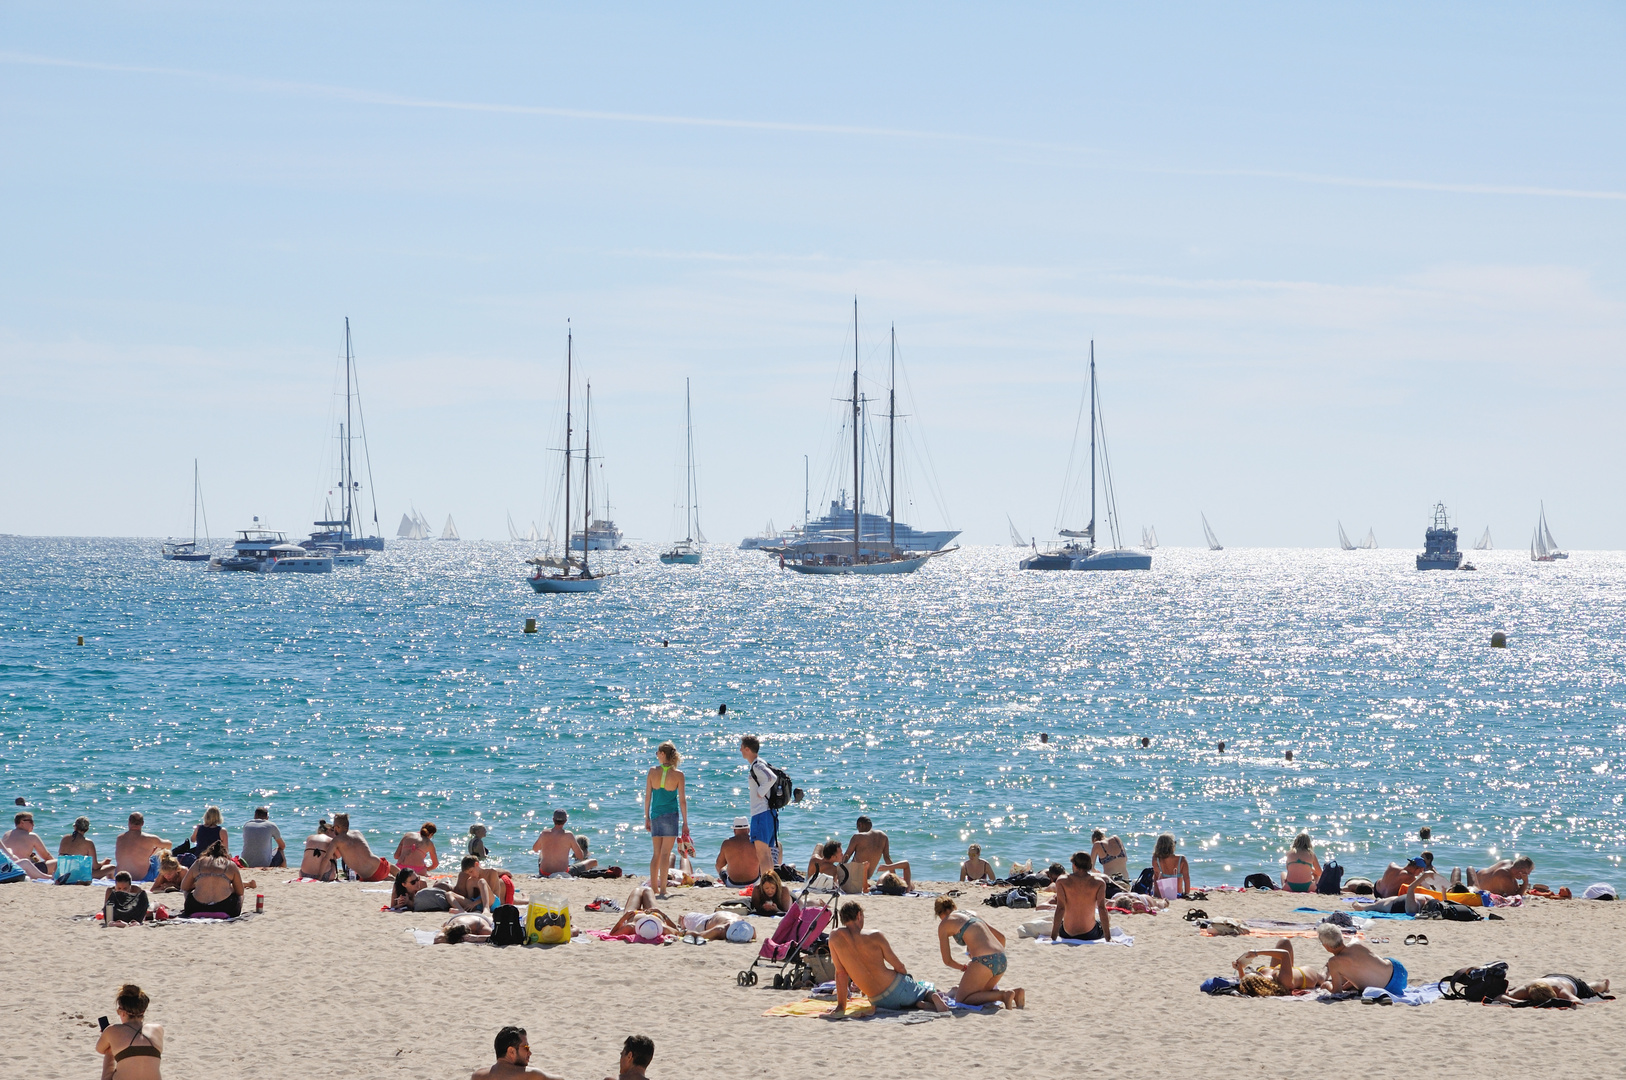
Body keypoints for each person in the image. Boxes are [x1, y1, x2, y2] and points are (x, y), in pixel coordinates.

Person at [827, 901, 947, 1014]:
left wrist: (841, 1006)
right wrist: (906, 977)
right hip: (898, 988)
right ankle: (927, 999)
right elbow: (899, 966)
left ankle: (919, 1005)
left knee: (905, 1002)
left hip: (878, 1000)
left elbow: (840, 973)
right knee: (923, 991)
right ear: (859, 915)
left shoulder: (834, 938)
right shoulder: (875, 935)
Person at [934, 897, 1025, 1009]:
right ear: (954, 906)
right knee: (980, 993)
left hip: (984, 960)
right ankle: (1016, 992)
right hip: (1001, 958)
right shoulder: (971, 913)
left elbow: (947, 960)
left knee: (962, 999)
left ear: (939, 913)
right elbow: (1001, 938)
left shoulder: (944, 924)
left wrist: (963, 967)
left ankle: (1003, 995)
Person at [644, 742, 688, 900]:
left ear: (663, 754)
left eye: (657, 752)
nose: (656, 755)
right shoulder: (678, 774)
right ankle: (662, 890)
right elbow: (682, 801)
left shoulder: (651, 772)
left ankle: (654, 888)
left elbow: (648, 797)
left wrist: (646, 817)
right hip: (671, 816)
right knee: (665, 854)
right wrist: (685, 822)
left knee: (656, 854)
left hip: (655, 815)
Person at [1317, 922, 1407, 996]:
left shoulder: (1334, 962)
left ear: (1327, 946)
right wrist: (1348, 984)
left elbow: (1337, 992)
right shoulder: (1356, 943)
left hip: (1388, 988)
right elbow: (1366, 967)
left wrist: (1327, 985)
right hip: (1398, 970)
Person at [95, 984, 163, 1080]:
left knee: (108, 1050)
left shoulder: (112, 1030)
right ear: (143, 1011)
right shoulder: (158, 1029)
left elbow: (100, 1049)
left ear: (122, 1012)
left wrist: (110, 1041)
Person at [740, 734, 779, 877]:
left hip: (761, 813)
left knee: (762, 854)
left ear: (748, 749)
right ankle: (770, 883)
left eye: (742, 747)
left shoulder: (757, 765)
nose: (740, 750)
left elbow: (772, 778)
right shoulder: (760, 763)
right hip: (768, 813)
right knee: (767, 853)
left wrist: (760, 792)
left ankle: (766, 883)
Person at [1051, 851, 1112, 941]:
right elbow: (1102, 908)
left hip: (1067, 933)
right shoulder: (1099, 882)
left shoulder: (1061, 881)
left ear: (1074, 865)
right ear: (1089, 866)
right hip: (1090, 933)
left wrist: (1053, 937)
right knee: (1104, 920)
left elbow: (1060, 908)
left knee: (1063, 922)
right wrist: (1108, 938)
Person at [471, 1025, 564, 1080]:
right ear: (511, 1051)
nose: (530, 1053)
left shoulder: (477, 1075)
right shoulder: (530, 1075)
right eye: (526, 1047)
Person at [179, 841, 245, 917]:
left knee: (186, 892)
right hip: (225, 908)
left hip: (196, 907)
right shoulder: (230, 865)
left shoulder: (198, 863)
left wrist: (199, 885)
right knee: (240, 896)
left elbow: (184, 887)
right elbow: (240, 891)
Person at [1233, 938, 1325, 991]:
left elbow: (1244, 981)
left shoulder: (1257, 981)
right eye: (1253, 973)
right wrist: (1257, 952)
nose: (1250, 972)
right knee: (1323, 976)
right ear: (1259, 979)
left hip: (1280, 970)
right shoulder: (1282, 981)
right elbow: (1285, 954)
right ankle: (1327, 968)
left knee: (1284, 942)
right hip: (1307, 975)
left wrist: (1240, 968)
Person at [844, 817, 911, 888]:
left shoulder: (857, 837)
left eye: (857, 827)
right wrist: (895, 879)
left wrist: (839, 874)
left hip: (854, 877)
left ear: (861, 825)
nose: (858, 830)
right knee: (887, 874)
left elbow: (846, 857)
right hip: (867, 878)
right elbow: (887, 858)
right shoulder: (883, 836)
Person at [328, 813, 394, 881]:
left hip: (366, 877)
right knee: (389, 867)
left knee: (382, 873)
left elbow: (326, 859)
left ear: (337, 827)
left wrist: (320, 876)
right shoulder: (357, 833)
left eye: (333, 827)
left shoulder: (337, 840)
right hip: (379, 868)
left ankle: (398, 878)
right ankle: (403, 877)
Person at [534, 811, 596, 876]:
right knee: (593, 861)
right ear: (565, 821)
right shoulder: (569, 835)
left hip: (544, 873)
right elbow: (580, 856)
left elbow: (535, 849)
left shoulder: (544, 833)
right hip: (562, 873)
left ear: (553, 820)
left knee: (541, 854)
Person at [115, 813, 171, 881]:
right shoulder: (150, 838)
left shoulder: (120, 838)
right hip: (142, 877)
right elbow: (169, 845)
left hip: (120, 876)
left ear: (129, 822)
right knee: (161, 851)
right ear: (142, 823)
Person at [1496, 975, 1612, 1006]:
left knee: (1591, 988)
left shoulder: (1560, 991)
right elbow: (1499, 996)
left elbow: (1579, 1002)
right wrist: (1521, 1002)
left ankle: (1604, 984)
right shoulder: (1527, 988)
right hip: (1549, 977)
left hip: (1571, 982)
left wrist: (1562, 1000)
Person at [3, 811, 55, 875]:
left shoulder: (7, 834)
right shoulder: (31, 836)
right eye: (31, 821)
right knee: (58, 862)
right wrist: (54, 865)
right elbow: (46, 856)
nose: (33, 824)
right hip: (26, 870)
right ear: (22, 822)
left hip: (8, 869)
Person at [714, 818, 762, 886]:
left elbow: (719, 865)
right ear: (748, 830)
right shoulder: (756, 842)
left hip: (733, 884)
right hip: (754, 883)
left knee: (723, 869)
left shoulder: (727, 843)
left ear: (734, 830)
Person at [1466, 856, 1534, 896]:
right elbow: (1515, 897)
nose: (1527, 875)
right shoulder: (1504, 876)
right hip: (1476, 885)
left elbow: (1514, 886)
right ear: (1522, 871)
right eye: (1527, 873)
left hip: (1479, 873)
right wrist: (1525, 882)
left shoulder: (1509, 863)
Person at [677, 908, 756, 942]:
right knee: (686, 918)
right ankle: (682, 921)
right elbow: (699, 935)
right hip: (705, 921)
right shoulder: (721, 929)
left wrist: (684, 933)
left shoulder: (747, 928)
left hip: (721, 916)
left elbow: (699, 935)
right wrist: (683, 932)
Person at [1151, 833, 1190, 900]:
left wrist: (1156, 894)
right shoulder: (1181, 859)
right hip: (1177, 893)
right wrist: (1186, 894)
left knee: (1156, 875)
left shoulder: (1155, 859)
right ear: (1172, 845)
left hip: (1161, 894)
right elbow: (1186, 879)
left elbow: (1156, 877)